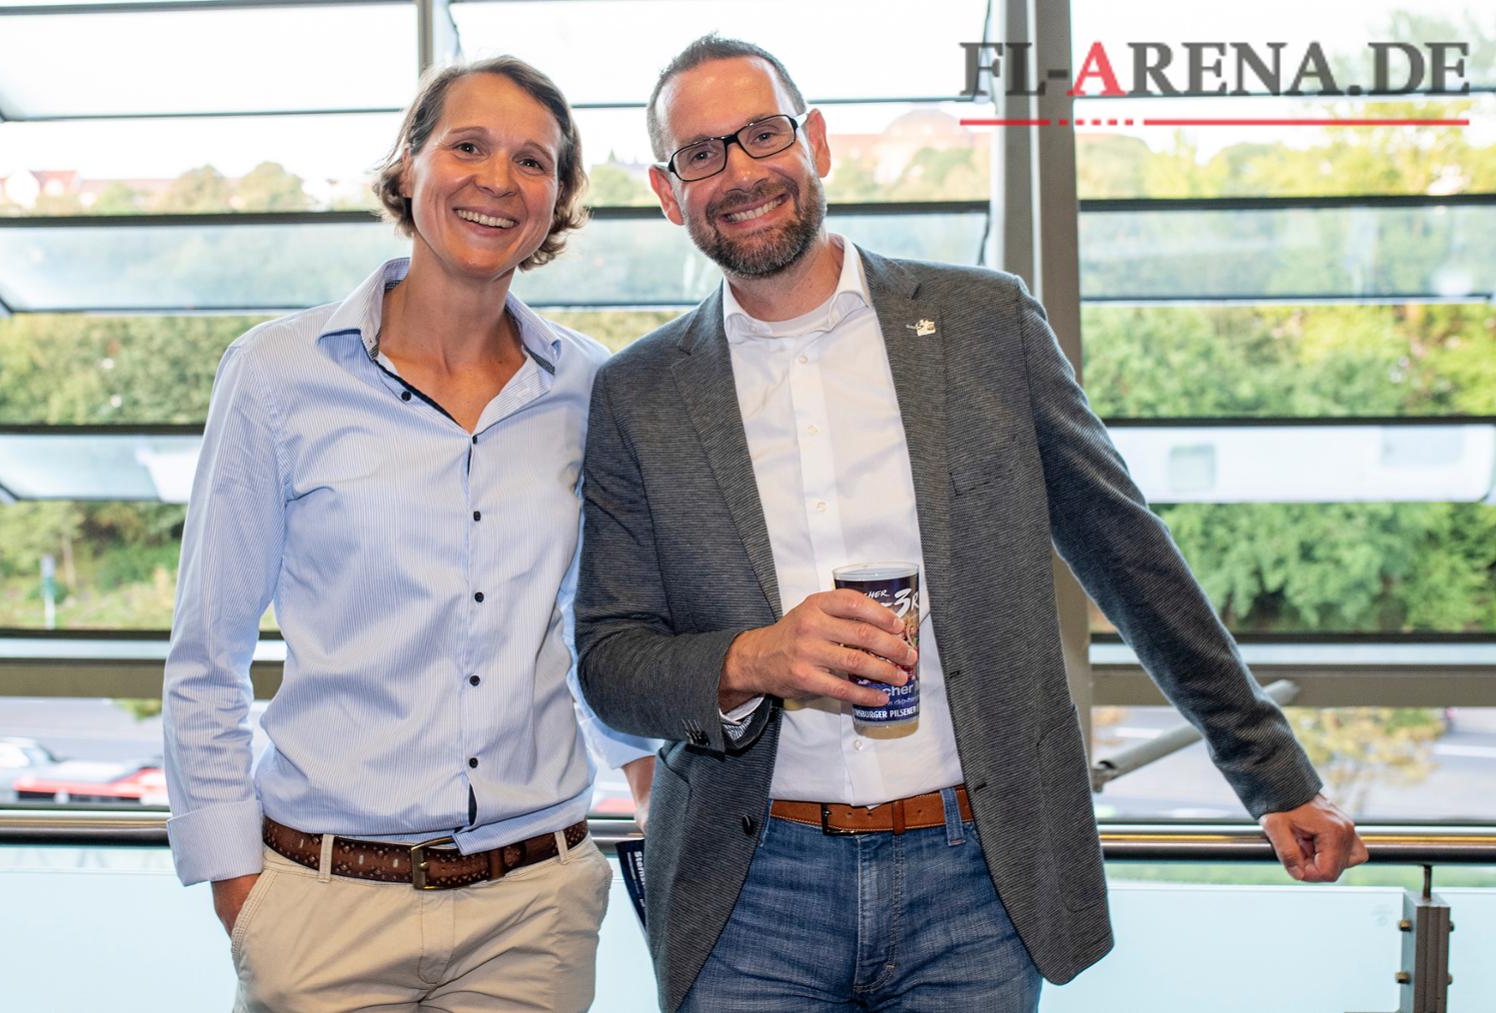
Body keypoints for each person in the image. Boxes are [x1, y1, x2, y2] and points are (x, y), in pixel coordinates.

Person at [574, 34, 1368, 1013]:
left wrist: (1268, 767)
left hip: (974, 883)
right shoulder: (638, 393)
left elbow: (1130, 557)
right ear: (668, 193)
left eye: (763, 134)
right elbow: (609, 661)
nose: (739, 172)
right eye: (701, 153)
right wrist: (754, 659)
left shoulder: (984, 324)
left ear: (817, 142)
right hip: (750, 896)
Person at [162, 56, 656, 1013]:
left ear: (557, 200)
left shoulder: (588, 388)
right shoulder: (277, 373)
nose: (497, 180)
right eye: (467, 146)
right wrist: (240, 891)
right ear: (407, 167)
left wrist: (653, 797)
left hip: (533, 913)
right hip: (324, 908)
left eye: (532, 161)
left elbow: (595, 626)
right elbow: (206, 652)